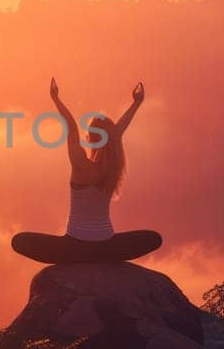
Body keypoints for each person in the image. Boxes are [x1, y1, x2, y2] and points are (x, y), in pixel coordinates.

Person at [10, 79, 162, 264]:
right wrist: (136, 104)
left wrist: (56, 99)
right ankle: (102, 258)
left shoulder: (80, 165)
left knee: (19, 241)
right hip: (106, 248)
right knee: (154, 238)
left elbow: (71, 126)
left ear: (90, 137)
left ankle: (77, 259)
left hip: (74, 248)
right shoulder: (113, 167)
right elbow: (116, 135)